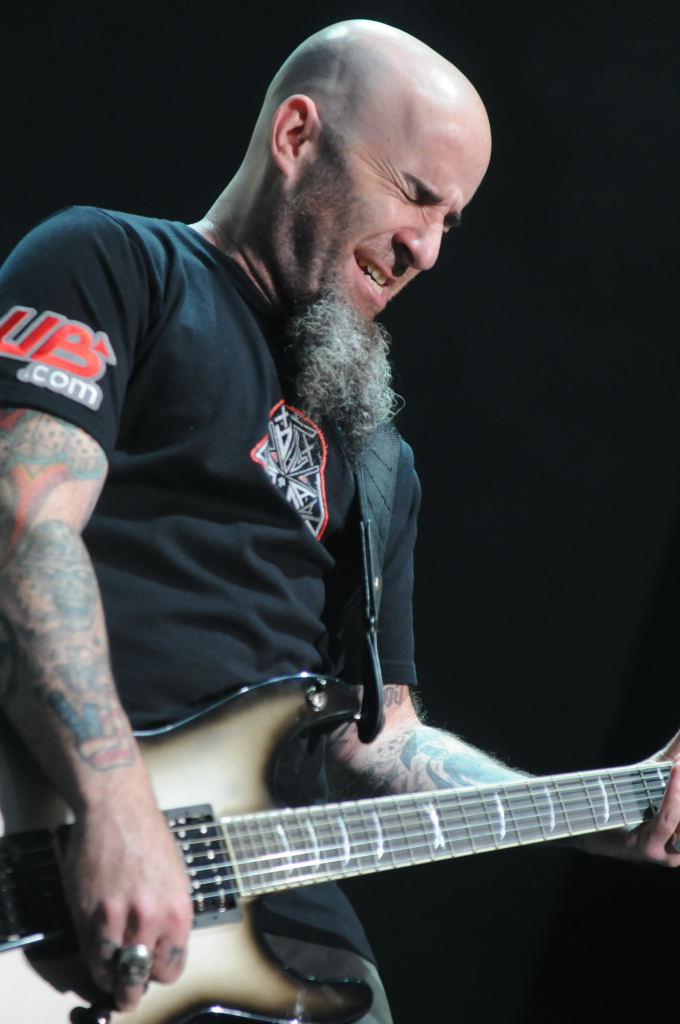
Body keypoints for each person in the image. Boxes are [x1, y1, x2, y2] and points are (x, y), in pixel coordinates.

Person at [0, 18, 678, 1024]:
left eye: (450, 221)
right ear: (295, 137)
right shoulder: (112, 266)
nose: (427, 249)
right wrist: (114, 805)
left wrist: (600, 812)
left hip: (282, 925)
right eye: (414, 195)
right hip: (60, 833)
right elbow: (26, 531)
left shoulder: (378, 458)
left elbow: (377, 740)